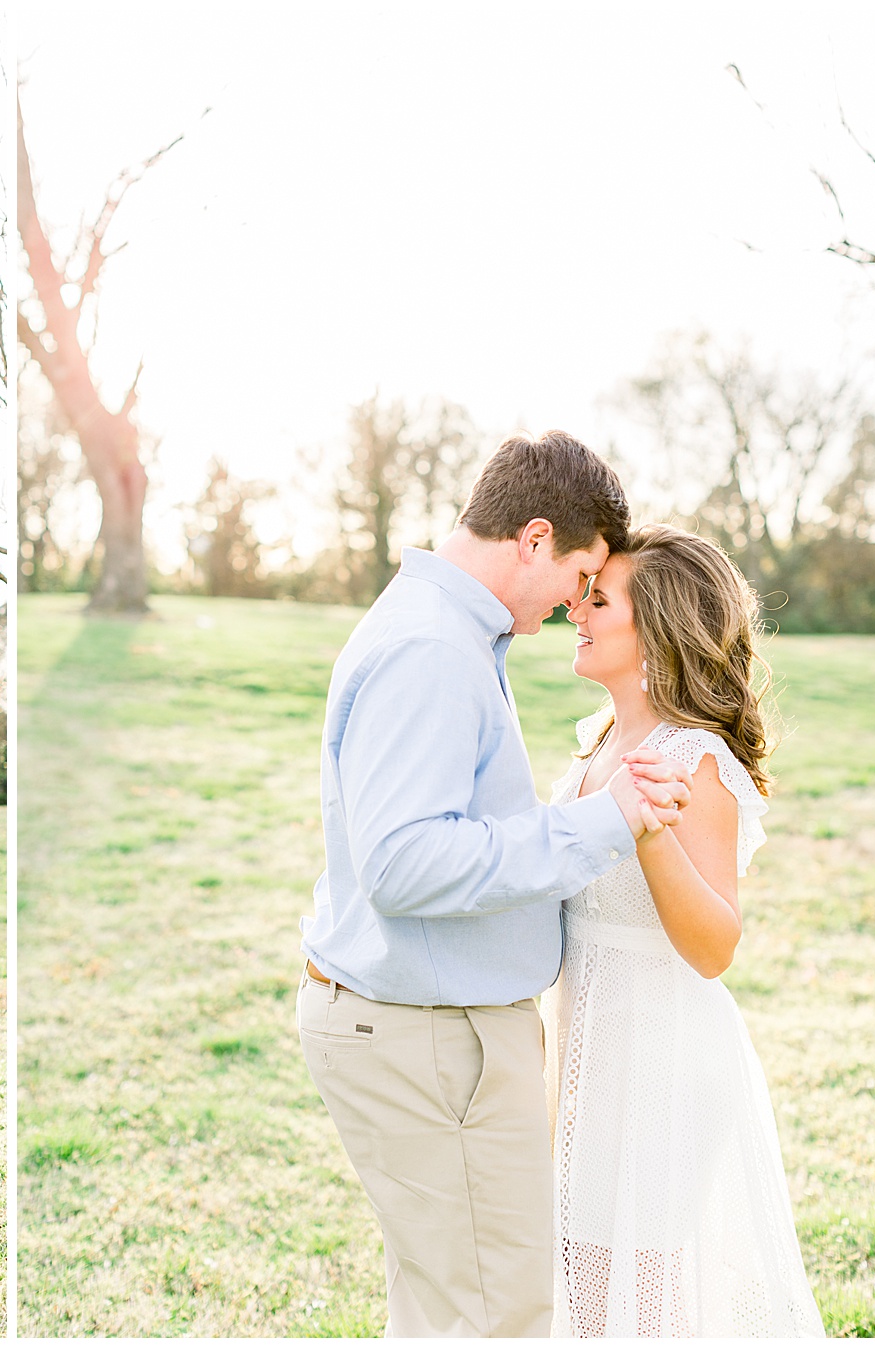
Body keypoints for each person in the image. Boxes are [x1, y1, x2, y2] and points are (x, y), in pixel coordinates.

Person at [295, 431, 697, 1336]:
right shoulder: (432, 649)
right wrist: (602, 824)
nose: (578, 603)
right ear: (534, 538)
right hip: (428, 1040)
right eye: (581, 575)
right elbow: (404, 864)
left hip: (431, 1030)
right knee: (494, 1319)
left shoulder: (447, 634)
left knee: (450, 1307)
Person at [547, 525, 823, 1336]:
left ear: (657, 629)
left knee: (627, 1306)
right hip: (589, 1052)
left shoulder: (692, 760)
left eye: (599, 600)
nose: (577, 610)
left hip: (656, 1064)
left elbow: (714, 946)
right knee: (589, 1289)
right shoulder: (600, 742)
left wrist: (651, 832)